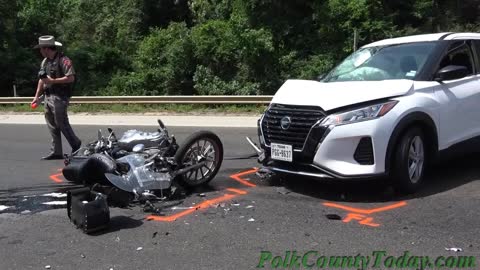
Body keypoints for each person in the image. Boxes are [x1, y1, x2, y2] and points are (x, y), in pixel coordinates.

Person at [31, 35, 81, 160]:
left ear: (46, 48)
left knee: (61, 122)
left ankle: (76, 144)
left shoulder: (64, 60)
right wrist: (37, 96)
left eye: (41, 49)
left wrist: (52, 81)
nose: (40, 51)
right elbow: (42, 80)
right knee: (52, 124)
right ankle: (56, 151)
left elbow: (71, 78)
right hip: (48, 96)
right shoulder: (45, 61)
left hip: (60, 96)